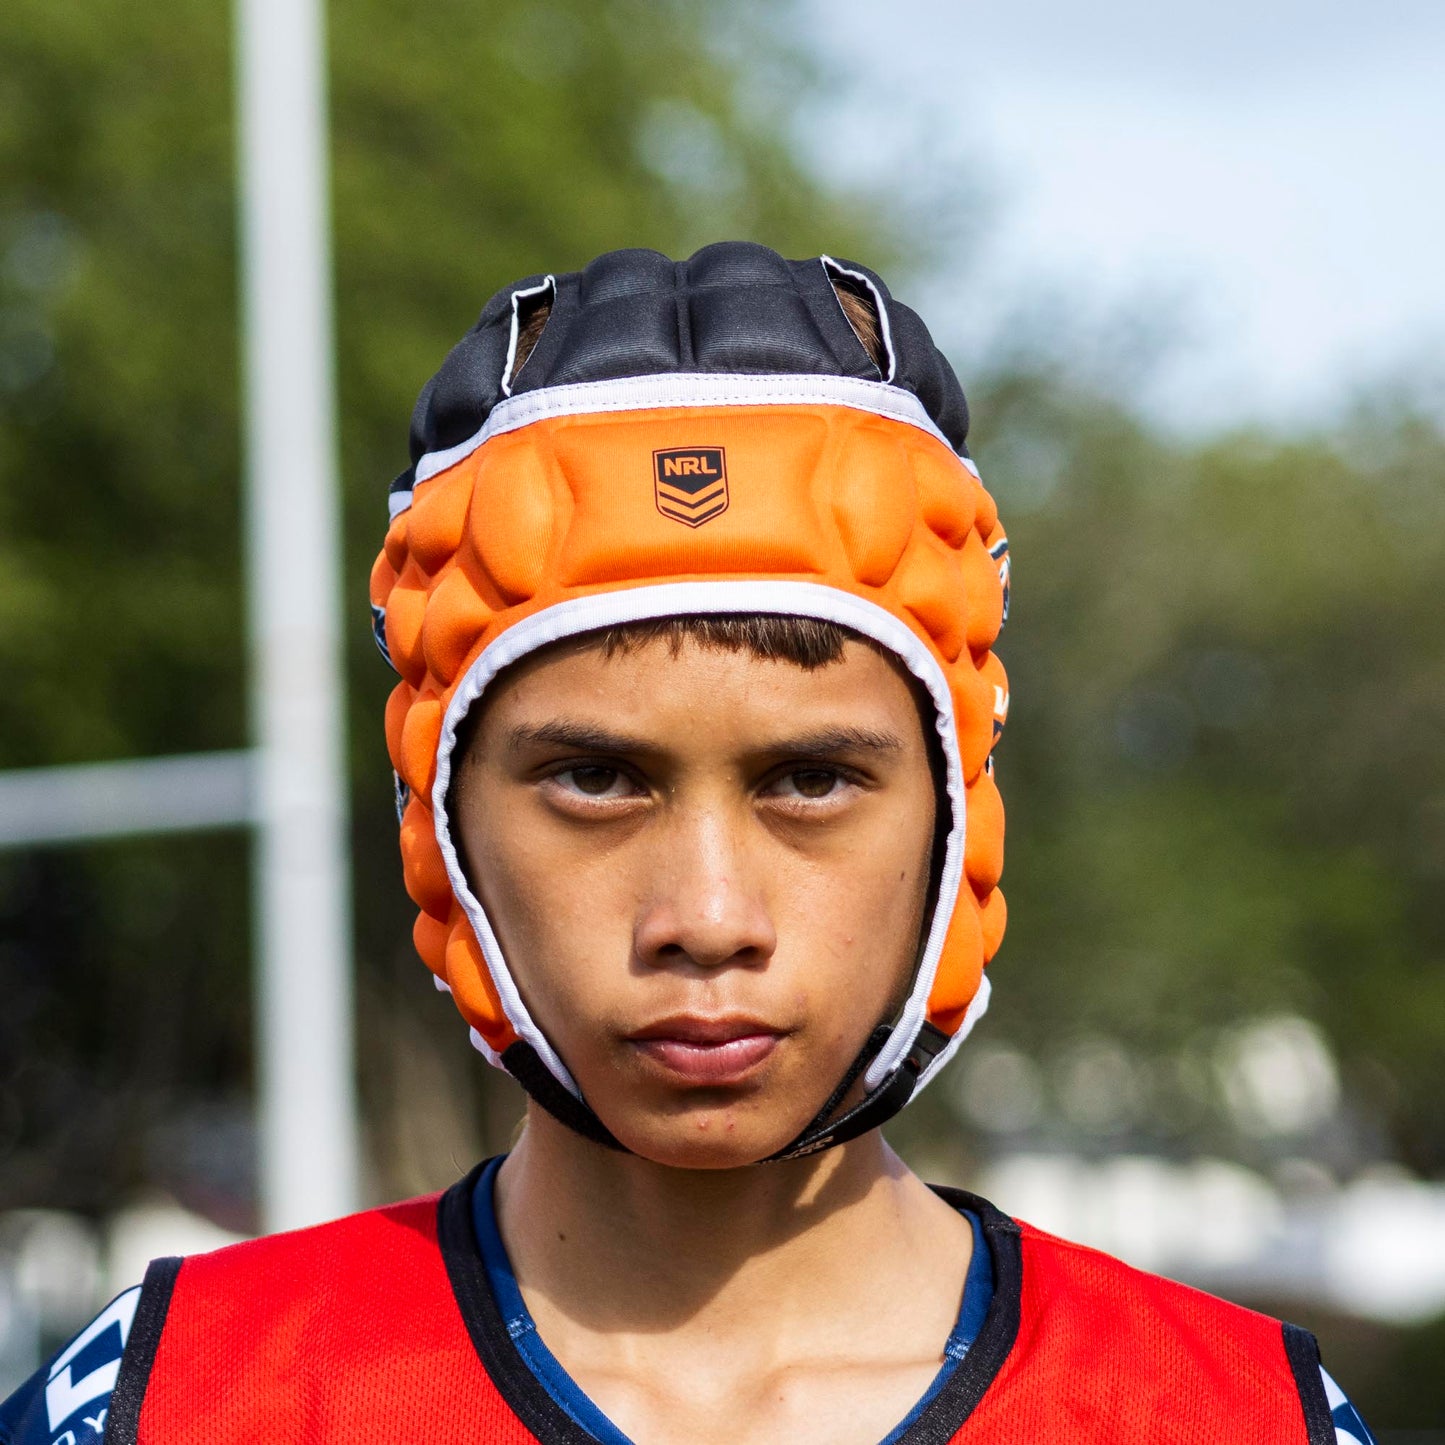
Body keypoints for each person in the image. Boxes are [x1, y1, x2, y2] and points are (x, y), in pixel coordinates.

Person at [0, 243, 1377, 1444]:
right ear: (442, 821)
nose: (707, 915)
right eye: (594, 777)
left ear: (952, 813)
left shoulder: (1233, 1415)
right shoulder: (166, 1401)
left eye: (813, 779)